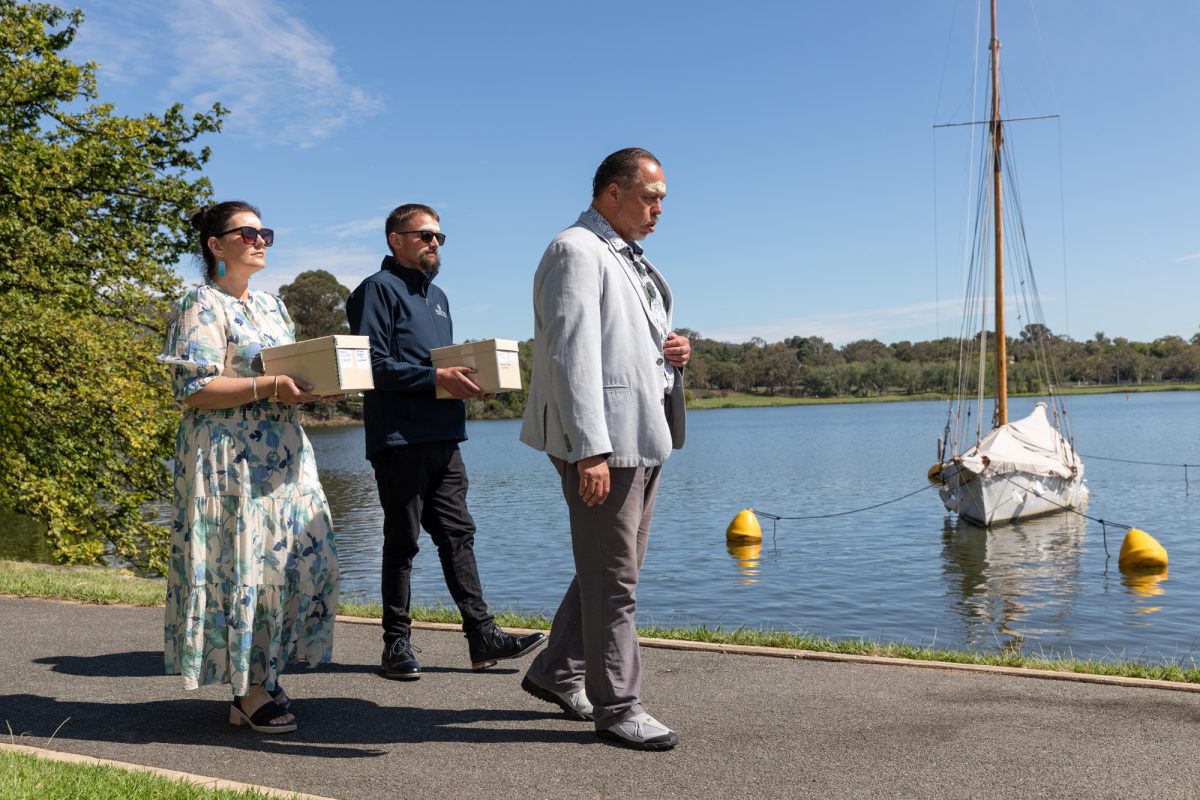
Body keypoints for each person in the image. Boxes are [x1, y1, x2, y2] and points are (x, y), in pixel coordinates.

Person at [519, 148, 690, 751]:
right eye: (650, 197)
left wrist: (670, 352)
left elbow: (618, 342)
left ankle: (555, 670)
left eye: (662, 198)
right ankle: (618, 706)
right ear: (611, 194)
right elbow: (569, 356)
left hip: (643, 433)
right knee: (615, 578)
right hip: (604, 444)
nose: (659, 209)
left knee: (614, 567)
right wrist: (589, 449)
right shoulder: (575, 250)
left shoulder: (624, 255)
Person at [159, 201, 340, 734]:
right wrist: (270, 386)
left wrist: (316, 386)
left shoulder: (272, 306)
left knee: (306, 562)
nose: (261, 240)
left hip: (285, 453)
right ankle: (249, 689)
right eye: (248, 232)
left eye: (267, 233)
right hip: (227, 458)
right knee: (243, 569)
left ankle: (263, 668)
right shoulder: (200, 303)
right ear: (216, 245)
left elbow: (293, 375)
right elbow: (192, 390)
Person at [346, 203, 546, 680]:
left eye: (439, 237)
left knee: (459, 535)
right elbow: (369, 366)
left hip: (444, 436)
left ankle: (482, 635)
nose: (434, 243)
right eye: (425, 236)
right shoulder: (376, 290)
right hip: (399, 438)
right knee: (403, 540)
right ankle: (395, 645)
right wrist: (436, 375)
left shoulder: (438, 297)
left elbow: (441, 368)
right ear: (396, 240)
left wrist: (475, 380)